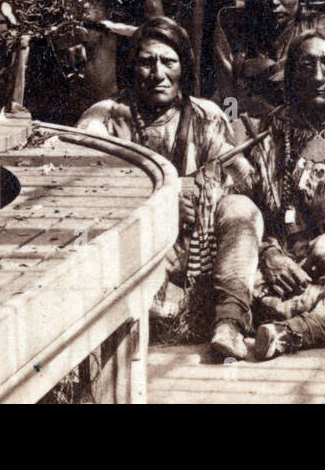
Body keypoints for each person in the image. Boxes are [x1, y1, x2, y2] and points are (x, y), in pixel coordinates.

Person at [207, 30, 325, 360]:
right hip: (289, 264)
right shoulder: (273, 129)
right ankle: (234, 323)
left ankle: (291, 332)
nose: (317, 76)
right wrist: (270, 254)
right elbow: (251, 205)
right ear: (292, 73)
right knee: (235, 221)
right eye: (306, 65)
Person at [77, 17, 246, 333]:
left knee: (241, 212)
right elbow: (87, 197)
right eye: (146, 63)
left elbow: (237, 185)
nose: (158, 74)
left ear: (184, 67)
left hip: (195, 246)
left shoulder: (207, 117)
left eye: (169, 61)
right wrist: (159, 208)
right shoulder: (104, 118)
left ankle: (221, 314)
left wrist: (190, 195)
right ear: (132, 67)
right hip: (133, 245)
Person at [214, 0, 325, 119]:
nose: (274, 1)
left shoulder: (317, 26)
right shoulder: (231, 26)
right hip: (247, 124)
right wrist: (234, 124)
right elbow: (228, 92)